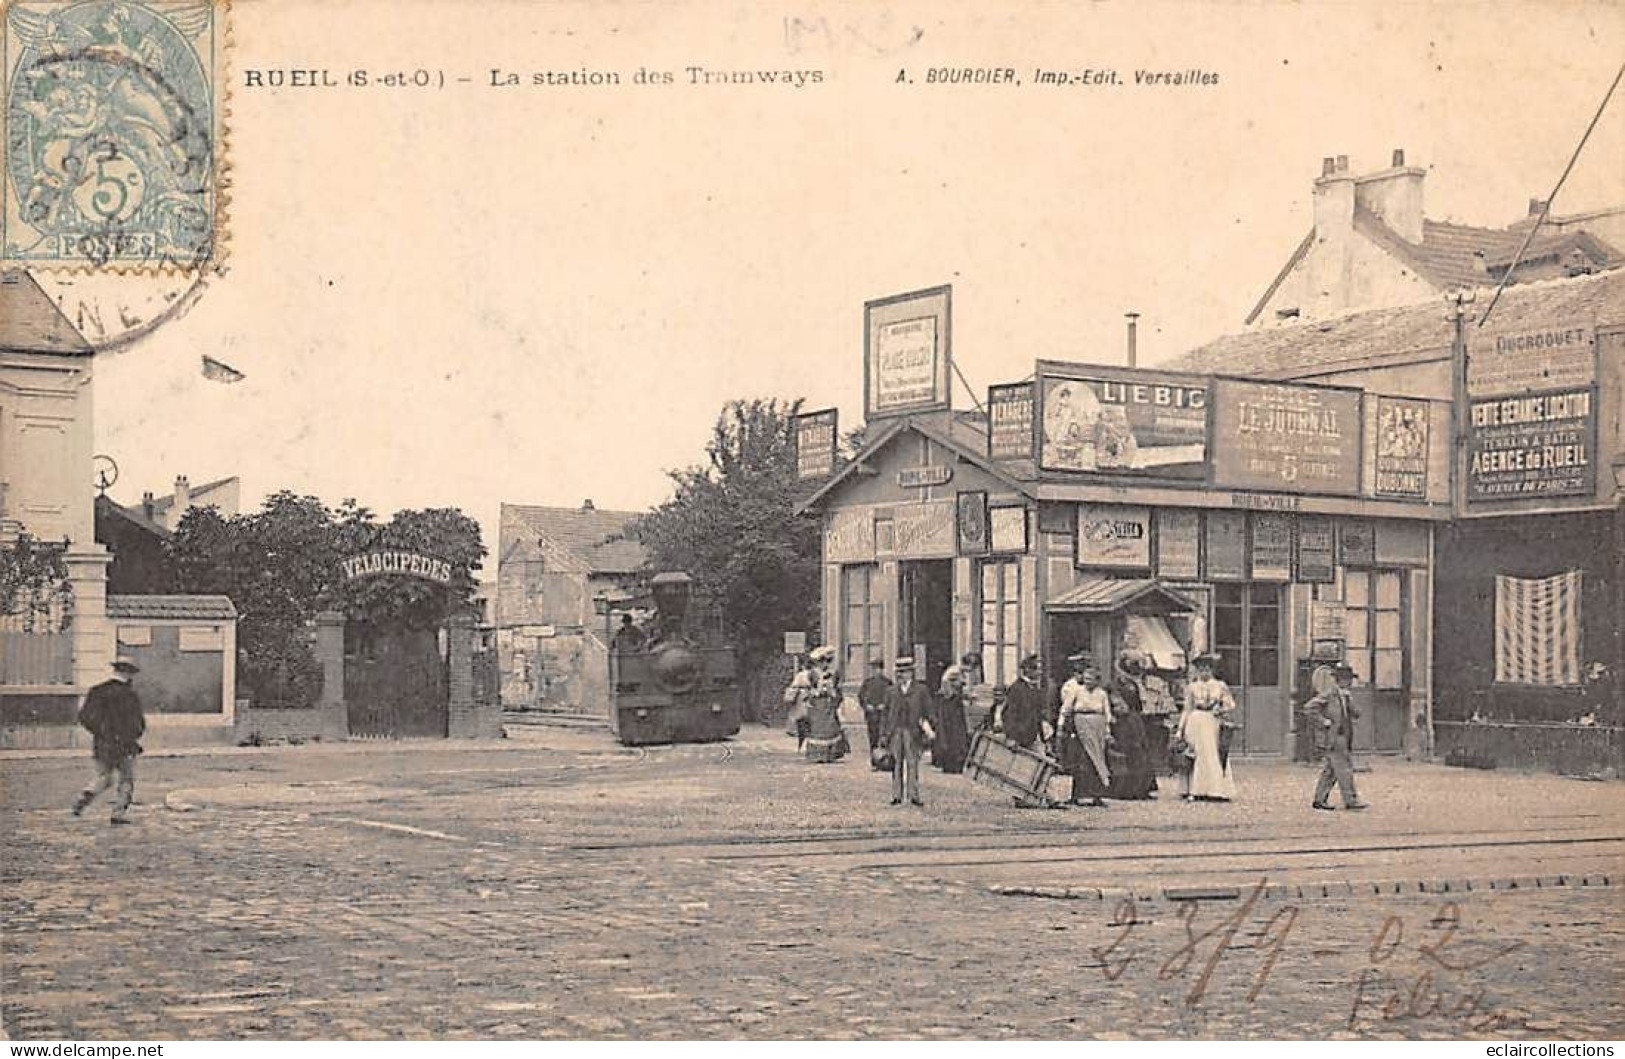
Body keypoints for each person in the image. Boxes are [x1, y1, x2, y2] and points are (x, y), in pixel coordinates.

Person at [71, 657, 146, 825]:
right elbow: (137, 722)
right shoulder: (129, 694)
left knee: (103, 777)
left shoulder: (97, 690)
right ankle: (118, 814)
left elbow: (84, 717)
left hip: (102, 743)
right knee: (126, 779)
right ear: (128, 673)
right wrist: (133, 736)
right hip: (125, 745)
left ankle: (84, 797)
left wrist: (100, 732)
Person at [1306, 662, 1369, 811]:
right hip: (1335, 737)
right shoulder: (1329, 693)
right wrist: (1324, 721)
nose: (1349, 682)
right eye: (1346, 679)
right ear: (1340, 680)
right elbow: (1309, 708)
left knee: (1331, 770)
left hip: (1344, 737)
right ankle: (1351, 800)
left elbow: (1356, 713)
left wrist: (1349, 700)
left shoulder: (1345, 696)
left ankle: (1319, 799)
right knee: (1345, 769)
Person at [995, 653, 1055, 808]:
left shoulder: (1035, 689)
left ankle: (1040, 795)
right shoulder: (1016, 689)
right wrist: (1011, 736)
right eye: (1036, 669)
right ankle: (1021, 798)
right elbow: (1008, 714)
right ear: (1026, 670)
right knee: (1021, 766)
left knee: (1040, 764)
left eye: (1040, 669)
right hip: (1020, 733)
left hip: (1034, 732)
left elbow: (1039, 714)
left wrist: (1044, 735)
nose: (1039, 673)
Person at [1176, 653, 1238, 801]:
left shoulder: (1220, 686)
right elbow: (1187, 708)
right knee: (1196, 754)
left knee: (1213, 753)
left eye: (1207, 669)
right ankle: (1196, 789)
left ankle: (1216, 789)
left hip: (1212, 722)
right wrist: (1180, 729)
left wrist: (1220, 710)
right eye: (1201, 669)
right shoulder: (1192, 687)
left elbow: (1231, 704)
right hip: (1195, 721)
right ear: (1197, 671)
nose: (1204, 672)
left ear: (1212, 670)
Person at [1056, 654, 1112, 807]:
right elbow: (1066, 709)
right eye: (1085, 679)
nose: (1087, 682)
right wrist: (1062, 727)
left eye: (1090, 679)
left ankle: (1097, 795)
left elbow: (1107, 713)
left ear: (1096, 680)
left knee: (1097, 760)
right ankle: (1076, 795)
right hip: (1080, 727)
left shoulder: (1101, 694)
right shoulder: (1076, 691)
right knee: (1080, 762)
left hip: (1097, 728)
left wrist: (1107, 731)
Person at [882, 656, 935, 806]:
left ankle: (914, 795)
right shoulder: (891, 691)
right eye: (899, 672)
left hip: (913, 731)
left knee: (912, 763)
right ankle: (896, 795)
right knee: (896, 764)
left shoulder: (921, 690)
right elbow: (885, 714)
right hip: (896, 731)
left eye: (905, 672)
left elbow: (928, 710)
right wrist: (884, 734)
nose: (901, 675)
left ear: (911, 673)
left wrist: (929, 728)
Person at [1107, 650, 1157, 800]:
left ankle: (1141, 788)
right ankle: (1124, 790)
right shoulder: (1114, 685)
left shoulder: (1136, 684)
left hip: (1135, 720)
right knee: (1126, 753)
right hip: (1122, 723)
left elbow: (1140, 704)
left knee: (1140, 752)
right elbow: (1114, 704)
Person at [931, 652, 977, 774]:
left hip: (954, 705)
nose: (970, 671)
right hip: (949, 706)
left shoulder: (958, 672)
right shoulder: (954, 671)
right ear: (966, 664)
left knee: (958, 735)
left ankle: (955, 763)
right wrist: (957, 694)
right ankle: (950, 763)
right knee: (952, 734)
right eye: (971, 668)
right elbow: (947, 686)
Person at [802, 655, 849, 763]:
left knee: (830, 728)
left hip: (828, 705)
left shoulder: (833, 674)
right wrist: (815, 693)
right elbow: (807, 691)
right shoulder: (812, 674)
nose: (825, 665)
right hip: (816, 706)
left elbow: (837, 691)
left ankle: (830, 754)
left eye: (827, 662)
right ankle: (817, 755)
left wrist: (833, 693)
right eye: (822, 662)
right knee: (817, 729)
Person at [857, 659, 893, 771]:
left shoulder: (888, 683)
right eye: (874, 669)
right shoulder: (867, 683)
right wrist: (866, 705)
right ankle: (875, 762)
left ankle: (886, 762)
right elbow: (861, 696)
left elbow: (892, 697)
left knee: (885, 737)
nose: (876, 671)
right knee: (873, 738)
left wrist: (885, 705)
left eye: (878, 669)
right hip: (871, 715)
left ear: (882, 670)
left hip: (884, 715)